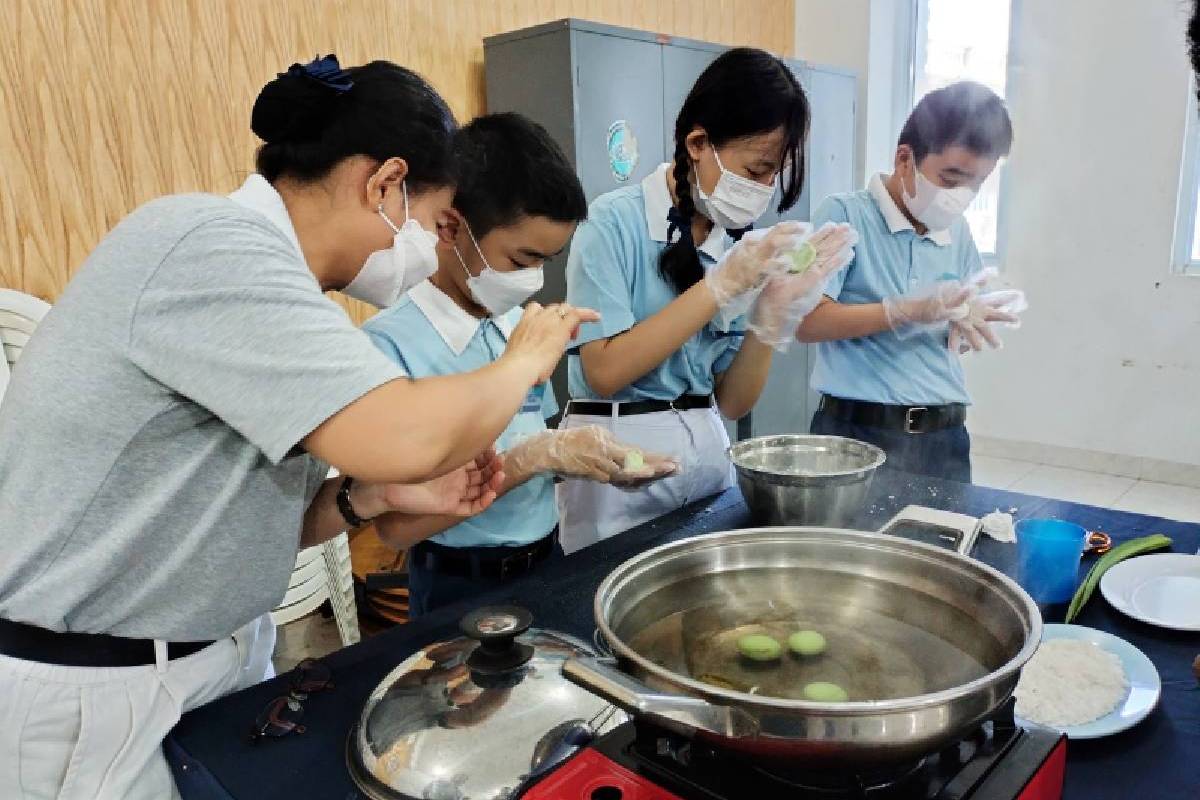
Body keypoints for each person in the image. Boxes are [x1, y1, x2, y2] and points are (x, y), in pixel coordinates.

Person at [0, 56, 595, 800]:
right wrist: (523, 360)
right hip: (94, 685)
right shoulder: (204, 240)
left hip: (210, 658)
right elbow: (406, 437)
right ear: (382, 185)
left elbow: (279, 517)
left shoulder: (290, 294)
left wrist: (370, 502)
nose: (426, 250)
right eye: (433, 223)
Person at [364, 113, 675, 617]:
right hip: (459, 584)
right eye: (521, 260)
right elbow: (395, 527)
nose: (533, 280)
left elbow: (536, 430)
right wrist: (533, 457)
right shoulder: (391, 345)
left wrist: (588, 459)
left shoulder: (514, 324)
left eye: (545, 262)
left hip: (546, 560)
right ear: (450, 227)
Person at [559, 47, 856, 553]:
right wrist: (717, 289)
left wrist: (769, 318)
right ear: (698, 143)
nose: (763, 189)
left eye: (772, 176)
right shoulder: (614, 223)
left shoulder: (733, 246)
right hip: (619, 469)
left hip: (704, 462)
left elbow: (733, 400)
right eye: (756, 170)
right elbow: (604, 371)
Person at [797, 81, 1022, 483]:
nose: (962, 196)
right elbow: (806, 322)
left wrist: (968, 322)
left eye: (977, 183)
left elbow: (957, 326)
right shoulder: (845, 215)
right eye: (951, 178)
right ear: (905, 159)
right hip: (859, 434)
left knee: (942, 542)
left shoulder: (958, 232)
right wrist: (903, 310)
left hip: (944, 436)